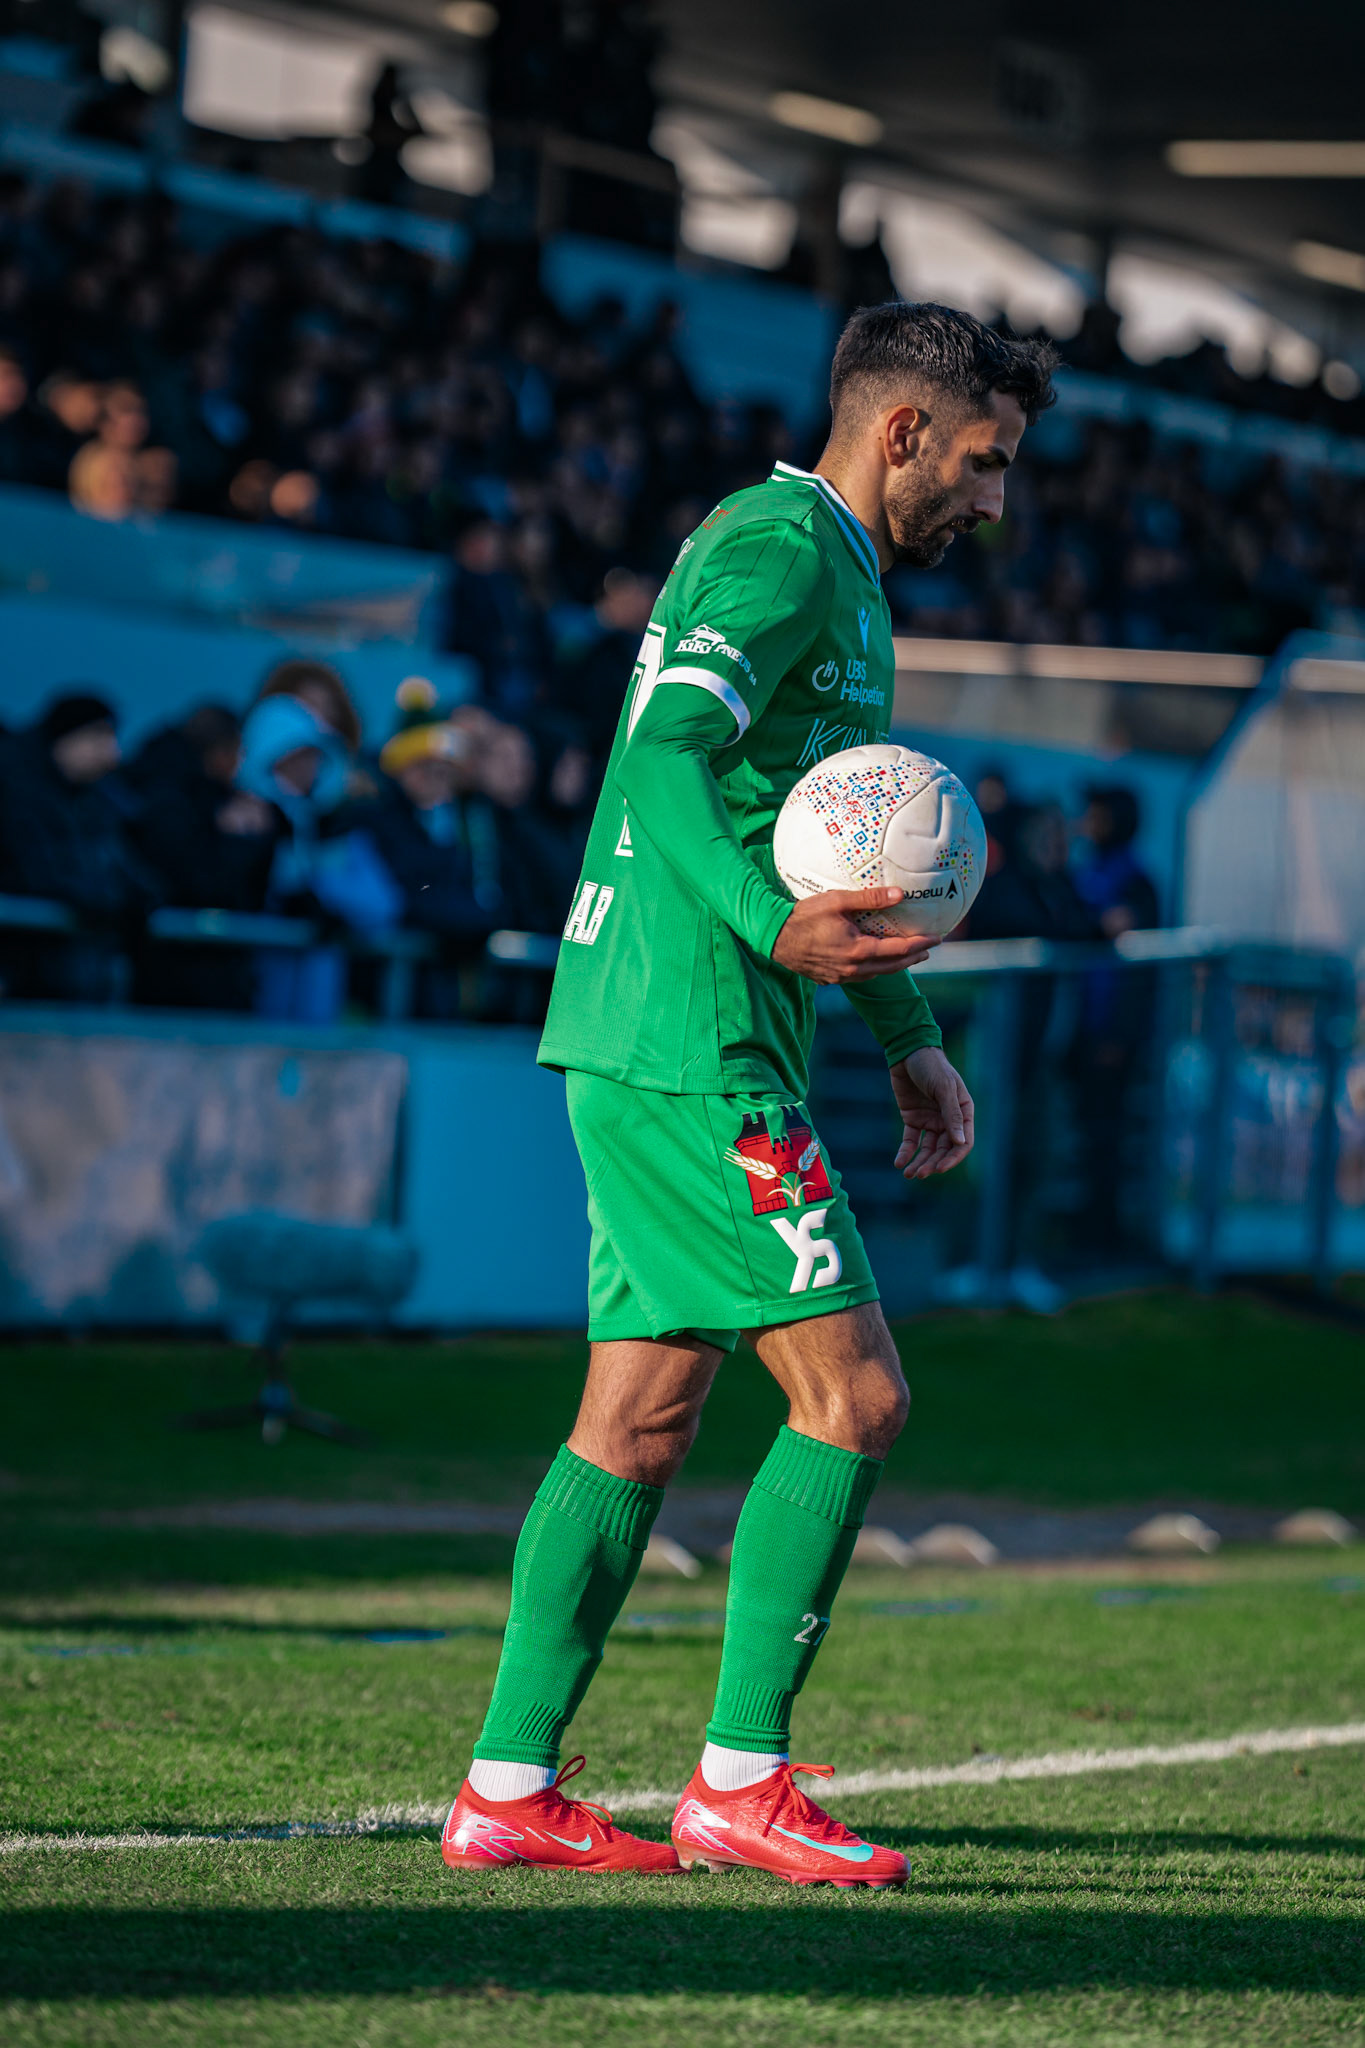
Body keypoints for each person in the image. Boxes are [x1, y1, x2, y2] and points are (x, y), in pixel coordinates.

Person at [439, 301, 1056, 1882]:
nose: (995, 501)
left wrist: (905, 1031)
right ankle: (739, 1780)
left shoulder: (841, 578)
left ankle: (508, 1789)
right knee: (854, 1398)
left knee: (639, 1419)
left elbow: (823, 841)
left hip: (685, 1029)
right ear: (902, 430)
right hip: (691, 1040)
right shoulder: (777, 550)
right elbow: (657, 755)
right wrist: (766, 922)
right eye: (984, 464)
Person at [0, 691, 160, 1001]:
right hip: (27, 974)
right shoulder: (17, 792)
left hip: (80, 973)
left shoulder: (100, 800)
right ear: (66, 738)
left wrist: (134, 899)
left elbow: (133, 873)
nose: (112, 753)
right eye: (99, 738)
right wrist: (111, 901)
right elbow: (37, 873)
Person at [1069, 784, 1160, 1253]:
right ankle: (1088, 1225)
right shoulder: (1089, 875)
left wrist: (1119, 1036)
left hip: (1110, 1036)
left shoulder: (1135, 883)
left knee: (1108, 1136)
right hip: (1080, 1031)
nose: (1087, 823)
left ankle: (1104, 1233)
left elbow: (1141, 975)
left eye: (1097, 815)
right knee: (1088, 1133)